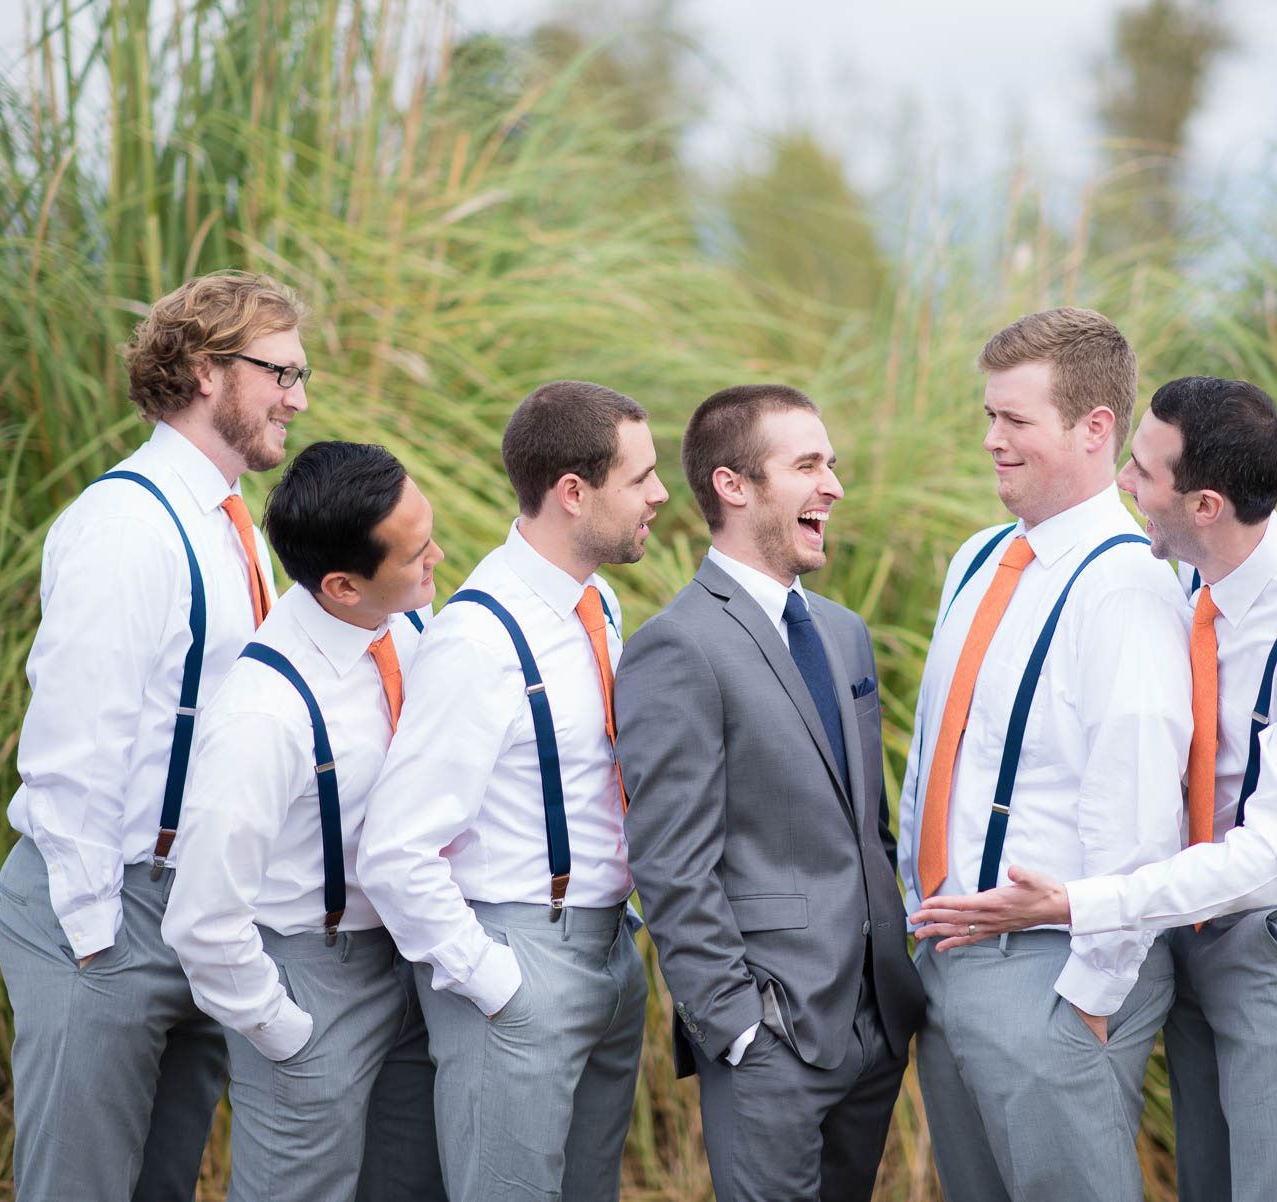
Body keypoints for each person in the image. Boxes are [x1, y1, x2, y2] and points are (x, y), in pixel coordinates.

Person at [916, 375, 1277, 1202]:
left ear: (1205, 503)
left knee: (1275, 1182)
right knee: (1207, 1176)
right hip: (1183, 910)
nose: (1124, 484)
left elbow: (1273, 855)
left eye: (1142, 472)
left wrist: (1081, 905)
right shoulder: (1179, 571)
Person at [0, 270, 308, 1201]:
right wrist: (94, 945)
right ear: (209, 371)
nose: (297, 396)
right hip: (104, 910)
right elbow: (72, 750)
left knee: (160, 1186)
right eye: (280, 373)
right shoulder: (127, 525)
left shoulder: (235, 524)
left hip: (197, 908)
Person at [893, 308, 1190, 1202]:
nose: (991, 440)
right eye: (990, 416)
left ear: (1096, 429)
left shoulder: (1128, 586)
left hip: (1051, 971)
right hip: (948, 959)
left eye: (1015, 421)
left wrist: (1091, 999)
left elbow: (1139, 807)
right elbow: (938, 755)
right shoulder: (978, 558)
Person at [614, 384, 927, 1202]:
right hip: (772, 1034)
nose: (834, 485)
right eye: (808, 465)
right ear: (734, 485)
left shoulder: (842, 631)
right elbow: (670, 862)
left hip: (876, 1023)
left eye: (833, 465)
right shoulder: (678, 646)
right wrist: (738, 1024)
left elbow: (870, 828)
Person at [357, 380, 666, 1202]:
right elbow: (396, 853)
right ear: (574, 492)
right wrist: (494, 983)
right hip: (519, 958)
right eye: (640, 479)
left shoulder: (595, 602)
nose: (661, 495)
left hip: (608, 954)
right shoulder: (477, 640)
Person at [160, 440, 446, 1202]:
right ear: (343, 585)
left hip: (411, 956)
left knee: (413, 1183)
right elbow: (203, 918)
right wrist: (284, 1030)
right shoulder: (261, 715)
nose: (438, 558)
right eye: (417, 553)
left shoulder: (409, 625)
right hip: (313, 975)